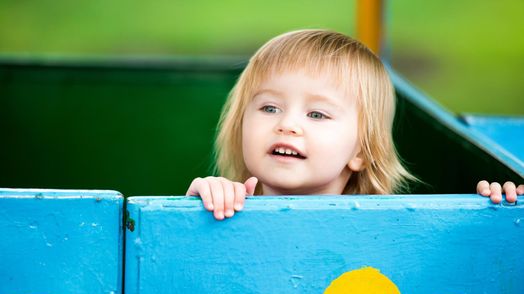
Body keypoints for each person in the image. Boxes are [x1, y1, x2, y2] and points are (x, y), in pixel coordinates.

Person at [186, 29, 523, 220]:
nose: (287, 124)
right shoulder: (229, 208)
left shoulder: (387, 223)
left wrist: (495, 208)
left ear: (360, 151)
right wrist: (200, 204)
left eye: (317, 114)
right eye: (269, 107)